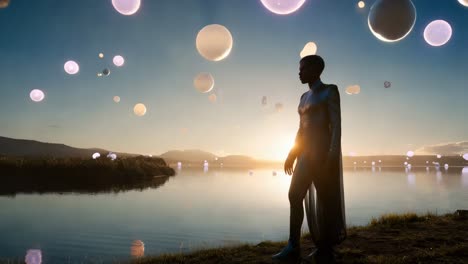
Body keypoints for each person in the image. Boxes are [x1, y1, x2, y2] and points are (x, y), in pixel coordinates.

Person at [272, 55, 346, 263]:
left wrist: (332, 154)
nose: (299, 72)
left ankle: (325, 248)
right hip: (305, 155)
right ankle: (293, 246)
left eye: (303, 68)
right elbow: (301, 130)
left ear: (315, 69)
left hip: (322, 155)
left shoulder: (330, 90)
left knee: (326, 201)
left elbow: (336, 126)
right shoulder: (303, 97)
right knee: (294, 195)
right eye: (299, 68)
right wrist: (291, 154)